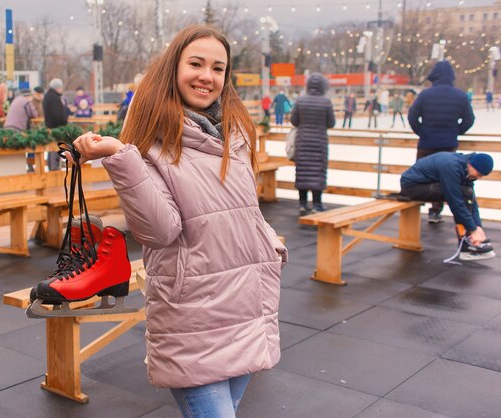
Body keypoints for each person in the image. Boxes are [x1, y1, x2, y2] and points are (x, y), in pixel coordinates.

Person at [65, 24, 287, 417]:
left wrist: (267, 239)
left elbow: (243, 208)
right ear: (173, 67)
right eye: (196, 63)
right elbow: (159, 230)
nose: (207, 76)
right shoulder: (150, 138)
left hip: (245, 304)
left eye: (218, 68)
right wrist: (120, 157)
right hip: (193, 314)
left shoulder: (234, 134)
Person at [408, 61, 475, 223]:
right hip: (448, 145)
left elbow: (412, 116)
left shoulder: (425, 95)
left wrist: (422, 131)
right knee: (444, 178)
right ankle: (435, 210)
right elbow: (469, 119)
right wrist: (455, 131)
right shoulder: (460, 96)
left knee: (421, 175)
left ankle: (412, 211)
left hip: (426, 144)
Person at [400, 152, 495, 261]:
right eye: (479, 174)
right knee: (460, 195)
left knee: (466, 193)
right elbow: (455, 201)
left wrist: (478, 226)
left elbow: (471, 199)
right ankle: (467, 245)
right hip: (412, 187)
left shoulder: (466, 167)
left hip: (427, 183)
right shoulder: (451, 167)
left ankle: (470, 241)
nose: (479, 178)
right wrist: (472, 229)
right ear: (471, 165)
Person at [291, 73, 336, 215]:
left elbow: (294, 121)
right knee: (318, 172)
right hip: (319, 142)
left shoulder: (300, 101)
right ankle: (317, 204)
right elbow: (331, 123)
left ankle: (302, 204)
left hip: (303, 141)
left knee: (303, 172)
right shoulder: (326, 102)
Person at [43, 78, 69, 171]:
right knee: (55, 147)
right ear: (57, 88)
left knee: (51, 147)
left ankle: (51, 166)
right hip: (56, 127)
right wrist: (64, 121)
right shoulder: (54, 98)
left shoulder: (47, 96)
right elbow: (57, 114)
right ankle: (54, 167)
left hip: (50, 125)